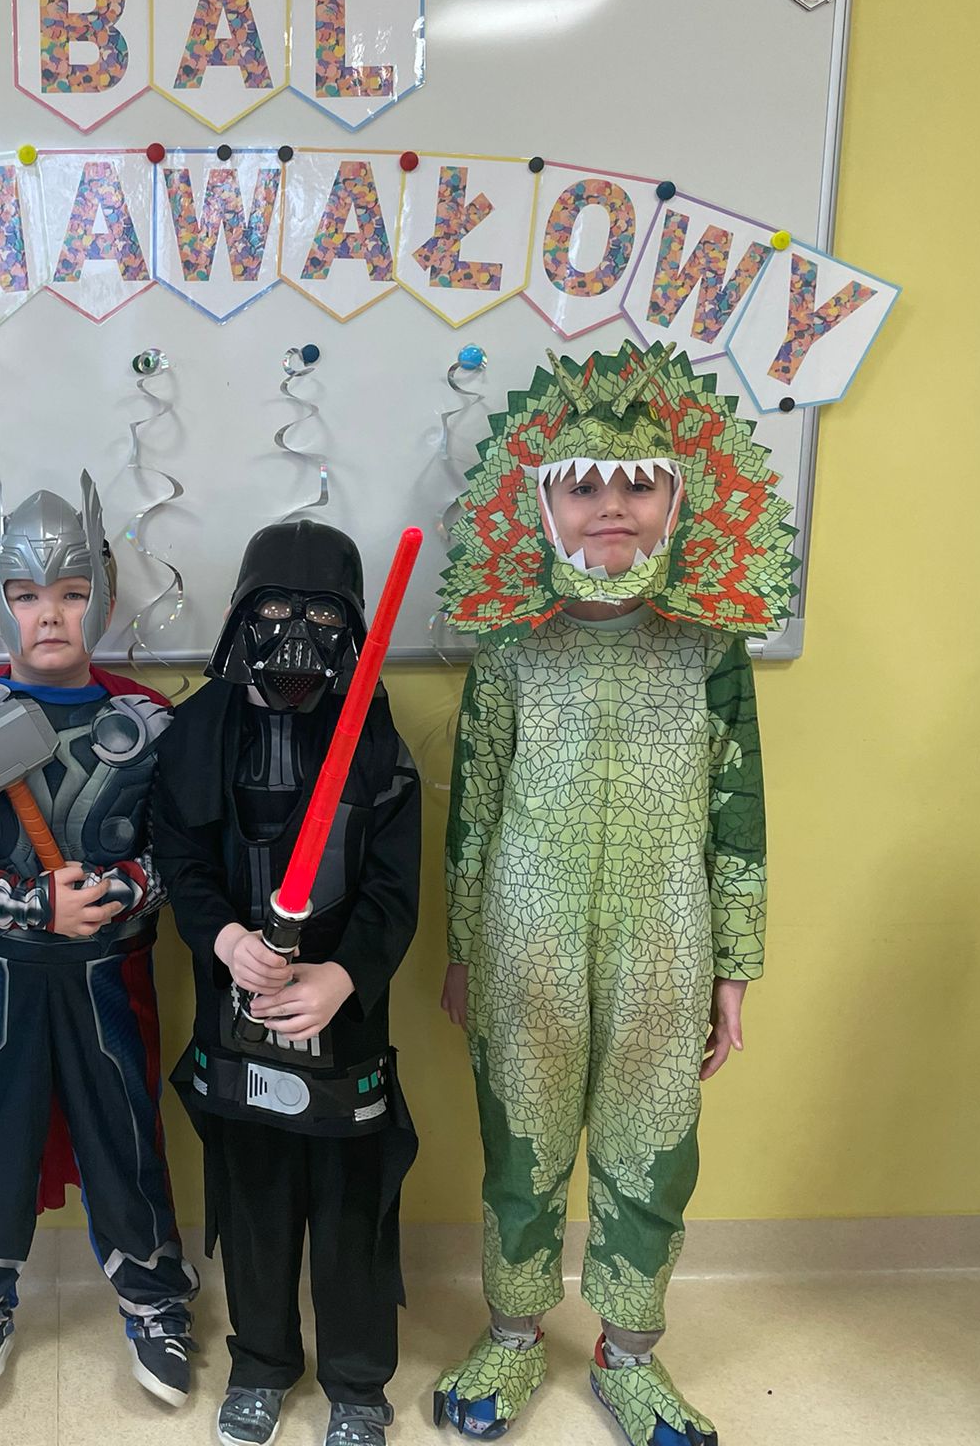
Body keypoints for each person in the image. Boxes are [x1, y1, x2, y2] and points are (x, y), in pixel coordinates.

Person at [434, 342, 797, 1446]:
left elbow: (738, 816)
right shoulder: (509, 649)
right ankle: (511, 1334)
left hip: (666, 935)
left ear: (675, 501)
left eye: (636, 485)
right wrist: (461, 951)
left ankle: (629, 1354)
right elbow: (472, 812)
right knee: (522, 1144)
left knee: (651, 1148)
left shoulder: (709, 649)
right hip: (524, 934)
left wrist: (734, 969)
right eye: (582, 484)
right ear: (541, 503)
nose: (610, 507)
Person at [0, 474, 197, 1410]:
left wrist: (115, 891)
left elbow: (184, 848)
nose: (50, 615)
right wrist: (27, 905)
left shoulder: (153, 725)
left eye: (70, 592)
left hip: (110, 973)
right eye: (26, 595)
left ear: (104, 594)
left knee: (125, 1132)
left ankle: (155, 1298)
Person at [152, 520, 422, 1446]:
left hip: (345, 1020)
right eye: (274, 610)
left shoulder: (376, 737)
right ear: (241, 615)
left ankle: (358, 1383)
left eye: (322, 616)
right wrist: (227, 941)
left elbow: (395, 890)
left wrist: (343, 977)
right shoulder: (198, 732)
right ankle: (261, 1363)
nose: (297, 636)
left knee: (353, 1205)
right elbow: (182, 862)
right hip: (238, 1010)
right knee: (254, 1199)